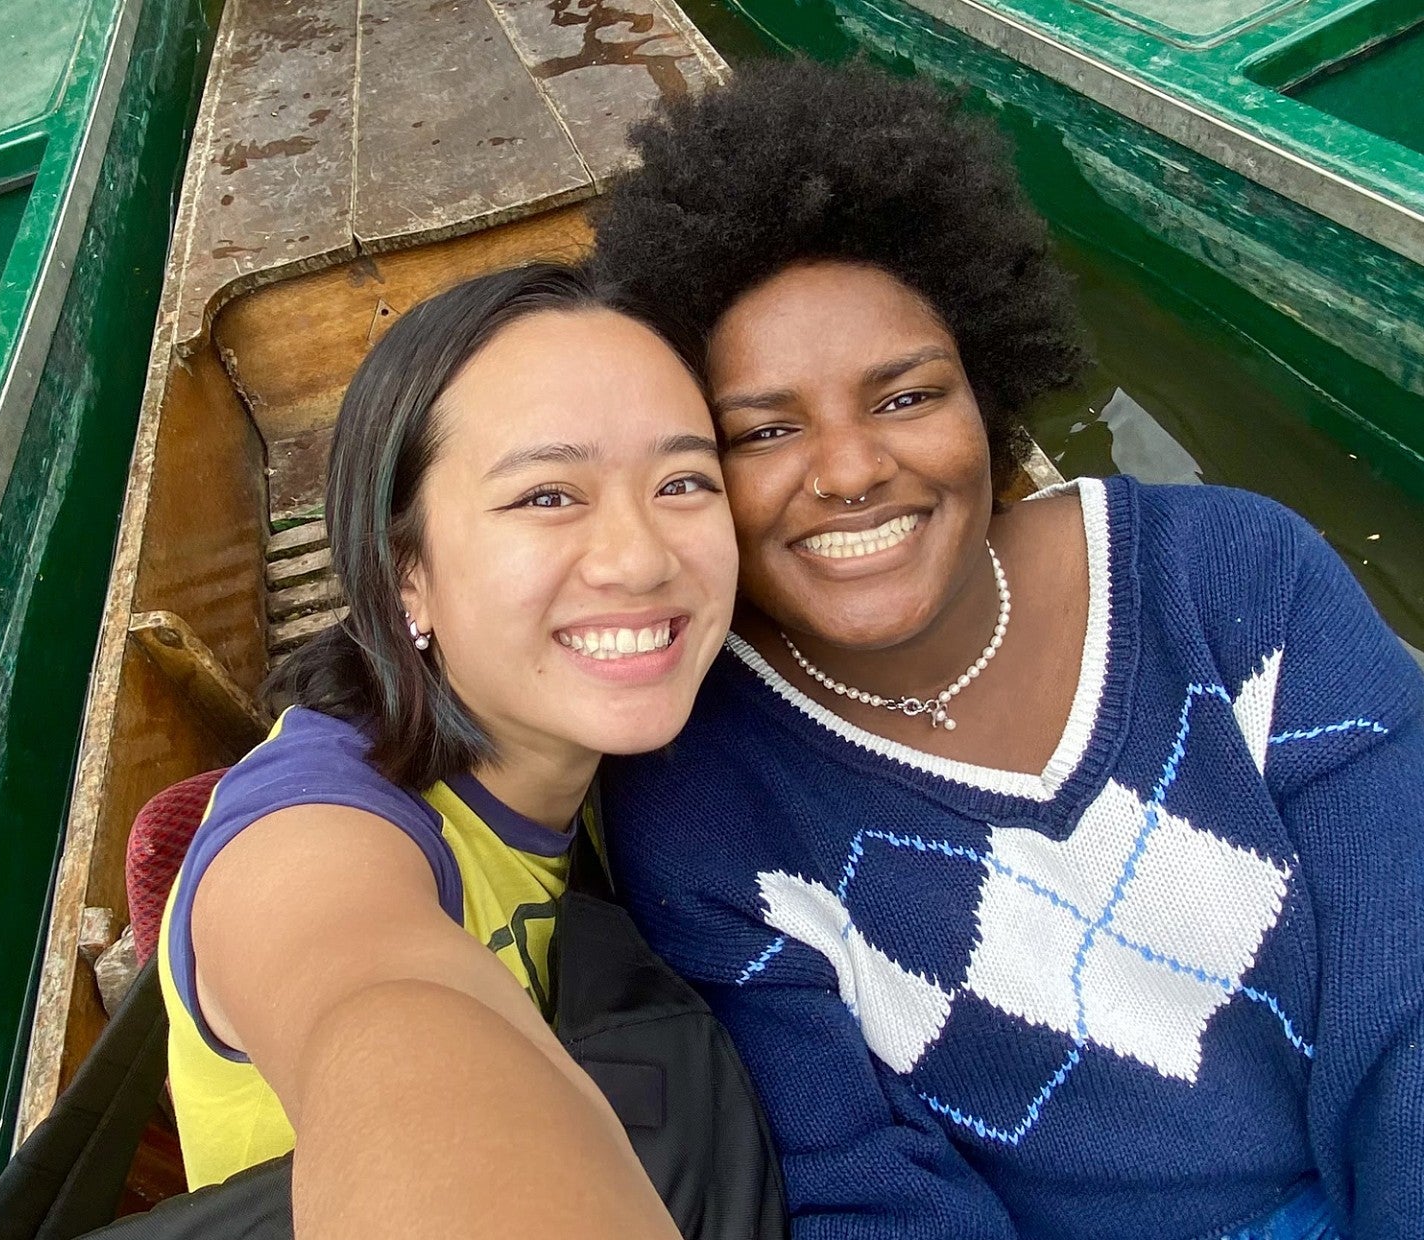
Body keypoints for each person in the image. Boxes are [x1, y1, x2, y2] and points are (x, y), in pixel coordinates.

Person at [590, 60, 1424, 1240]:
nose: (848, 470)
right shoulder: (703, 796)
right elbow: (862, 1188)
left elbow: (1410, 1009)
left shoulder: (1236, 581)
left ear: (990, 389)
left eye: (905, 397)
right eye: (764, 430)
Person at [156, 263, 739, 1239]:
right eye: (548, 496)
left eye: (683, 480)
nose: (641, 558)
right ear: (406, 576)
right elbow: (376, 1003)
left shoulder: (590, 725)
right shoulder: (311, 838)